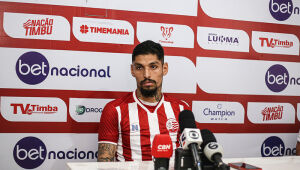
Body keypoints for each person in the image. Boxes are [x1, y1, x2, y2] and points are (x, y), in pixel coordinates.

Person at [97, 40, 190, 162]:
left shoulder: (182, 109)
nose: (146, 74)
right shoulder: (115, 109)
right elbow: (105, 163)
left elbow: (191, 156)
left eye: (153, 67)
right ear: (132, 70)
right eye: (139, 67)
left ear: (164, 68)